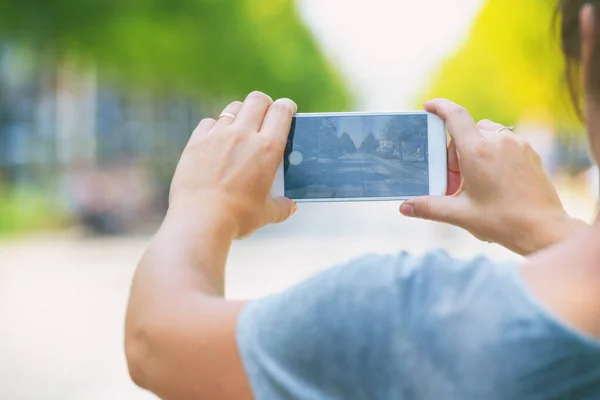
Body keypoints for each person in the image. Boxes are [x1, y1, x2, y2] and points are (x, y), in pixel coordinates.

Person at [124, 1, 600, 399]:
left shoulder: (404, 314)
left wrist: (202, 204)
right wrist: (555, 234)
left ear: (590, 33)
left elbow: (155, 342)